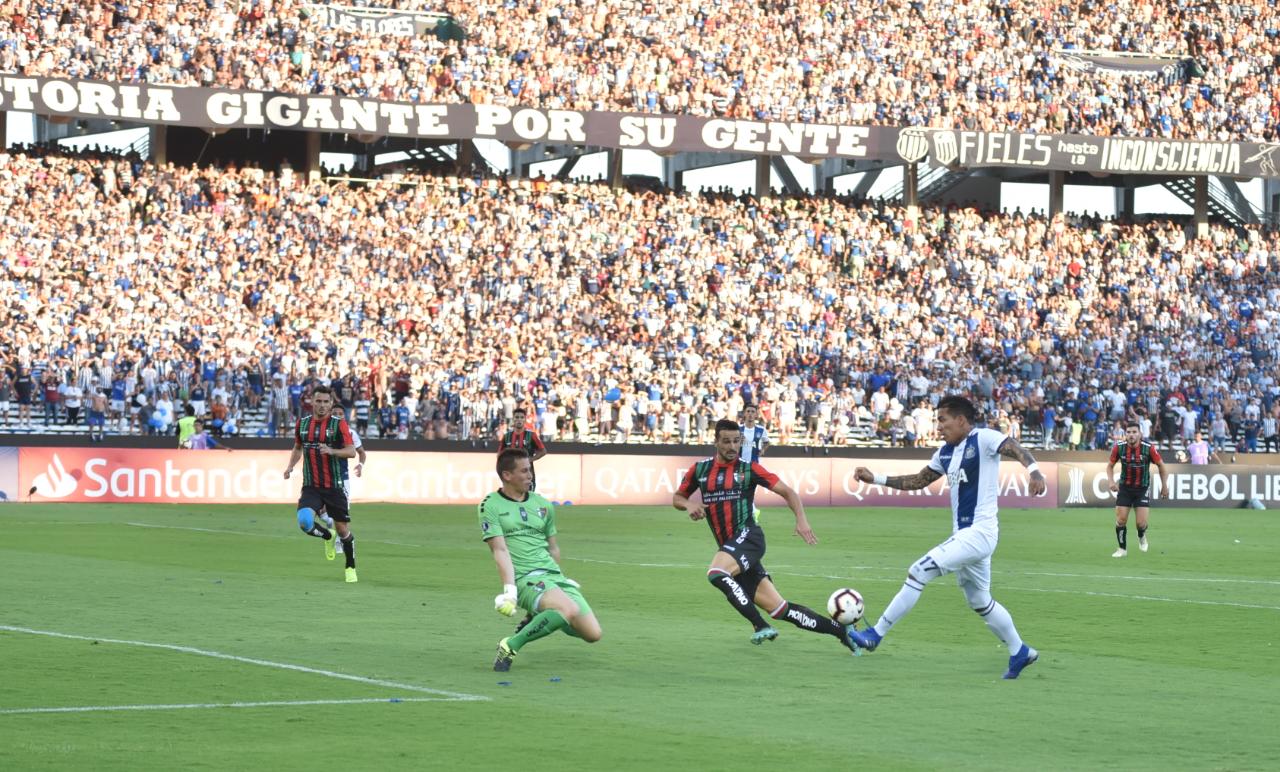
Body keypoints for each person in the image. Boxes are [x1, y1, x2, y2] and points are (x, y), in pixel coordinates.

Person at [846, 395, 1044, 679]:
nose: (939, 426)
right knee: (979, 600)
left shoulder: (983, 438)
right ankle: (1020, 651)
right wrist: (875, 478)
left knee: (918, 571)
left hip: (980, 532)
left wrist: (1035, 471)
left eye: (943, 420)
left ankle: (876, 633)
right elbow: (918, 480)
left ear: (961, 420)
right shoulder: (946, 453)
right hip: (965, 535)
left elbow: (1012, 446)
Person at [673, 418, 854, 653]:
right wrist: (688, 505)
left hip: (749, 538)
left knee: (716, 573)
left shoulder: (749, 469)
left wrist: (801, 519)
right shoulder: (700, 470)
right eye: (726, 441)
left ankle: (759, 625)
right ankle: (842, 632)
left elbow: (788, 492)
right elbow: (678, 497)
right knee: (780, 609)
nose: (732, 447)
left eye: (736, 441)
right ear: (715, 441)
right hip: (731, 548)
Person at [482, 448, 602, 672]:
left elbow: (553, 547)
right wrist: (510, 591)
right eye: (525, 471)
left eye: (531, 470)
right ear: (507, 475)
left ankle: (542, 614)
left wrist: (559, 577)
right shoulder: (490, 505)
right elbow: (499, 550)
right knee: (568, 610)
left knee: (593, 634)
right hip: (525, 577)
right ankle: (510, 644)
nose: (530, 475)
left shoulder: (543, 505)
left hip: (552, 577)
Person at [283, 385, 360, 582]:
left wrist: (332, 451)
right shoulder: (302, 423)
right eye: (318, 401)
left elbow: (351, 451)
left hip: (334, 486)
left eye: (326, 402)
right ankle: (327, 536)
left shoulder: (338, 424)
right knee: (304, 522)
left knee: (343, 530)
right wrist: (290, 466)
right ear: (312, 402)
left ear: (331, 403)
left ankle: (350, 566)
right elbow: (298, 447)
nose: (322, 405)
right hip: (311, 486)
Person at [1106, 421, 1170, 558]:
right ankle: (1122, 549)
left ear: (1140, 434)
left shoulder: (1149, 448)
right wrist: (1111, 481)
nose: (1131, 435)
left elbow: (1161, 466)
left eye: (1134, 432)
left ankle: (1141, 535)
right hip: (1125, 488)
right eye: (1128, 432)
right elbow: (1109, 466)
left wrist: (1164, 486)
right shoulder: (1119, 447)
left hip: (1142, 488)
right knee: (1121, 519)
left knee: (1141, 524)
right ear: (1125, 434)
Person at [498, 405, 547, 489]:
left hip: (527, 472)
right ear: (513, 419)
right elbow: (500, 454)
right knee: (511, 497)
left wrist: (531, 459)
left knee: (528, 497)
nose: (519, 420)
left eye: (521, 417)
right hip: (511, 473)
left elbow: (543, 451)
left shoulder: (531, 435)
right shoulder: (507, 436)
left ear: (525, 419)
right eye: (517, 417)